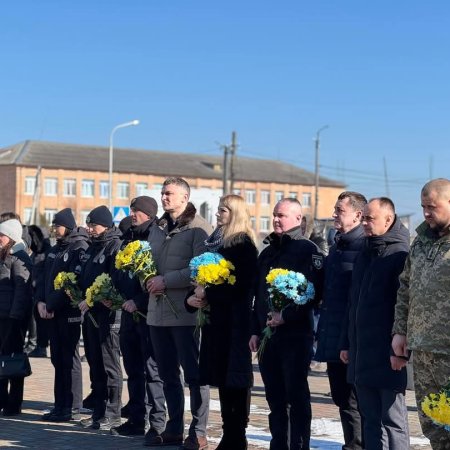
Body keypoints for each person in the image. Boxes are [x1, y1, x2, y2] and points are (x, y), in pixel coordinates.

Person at [249, 198, 324, 450]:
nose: (276, 219)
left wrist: (287, 316)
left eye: (282, 215)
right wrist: (255, 330)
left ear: (298, 219)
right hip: (268, 336)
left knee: (295, 397)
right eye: (274, 214)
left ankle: (298, 445)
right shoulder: (268, 251)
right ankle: (278, 444)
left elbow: (313, 293)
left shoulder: (307, 250)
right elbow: (258, 295)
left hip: (294, 335)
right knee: (274, 397)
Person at [145, 177, 213, 450]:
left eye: (169, 194)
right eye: (162, 193)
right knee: (167, 374)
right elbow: (148, 262)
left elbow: (200, 269)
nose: (164, 198)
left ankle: (198, 432)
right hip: (157, 311)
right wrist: (146, 278)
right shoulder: (157, 228)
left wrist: (167, 281)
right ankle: (173, 427)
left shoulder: (199, 229)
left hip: (184, 312)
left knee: (195, 374)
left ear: (185, 198)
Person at [186, 195, 258, 450]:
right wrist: (193, 298)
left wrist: (209, 294)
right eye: (218, 209)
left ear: (236, 214)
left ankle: (236, 436)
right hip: (216, 322)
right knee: (224, 381)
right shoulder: (216, 243)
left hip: (235, 324)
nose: (218, 214)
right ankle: (230, 434)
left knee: (235, 381)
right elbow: (203, 280)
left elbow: (242, 289)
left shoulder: (243, 246)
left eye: (224, 210)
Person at [340, 197, 410, 450]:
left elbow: (403, 307)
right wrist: (346, 343)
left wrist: (398, 352)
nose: (365, 223)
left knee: (392, 420)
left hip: (387, 352)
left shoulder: (400, 254)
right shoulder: (366, 252)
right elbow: (353, 304)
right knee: (369, 419)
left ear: (388, 219)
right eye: (364, 218)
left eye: (370, 218)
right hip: (361, 351)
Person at [391, 178, 450, 450]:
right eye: (423, 206)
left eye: (432, 206)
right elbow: (406, 287)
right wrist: (399, 332)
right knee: (432, 423)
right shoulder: (421, 242)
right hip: (423, 349)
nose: (426, 212)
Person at [110, 196, 167, 439]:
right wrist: (114, 295)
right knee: (133, 369)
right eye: (132, 210)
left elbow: (158, 275)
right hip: (127, 312)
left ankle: (158, 424)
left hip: (148, 313)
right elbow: (119, 270)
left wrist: (140, 300)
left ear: (149, 213)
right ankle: (135, 419)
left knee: (152, 371)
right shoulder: (128, 237)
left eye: (137, 211)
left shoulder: (156, 237)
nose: (133, 214)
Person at [315, 191, 367, 450]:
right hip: (333, 334)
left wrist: (349, 340)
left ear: (358, 215)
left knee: (354, 401)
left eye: (339, 210)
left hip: (352, 339)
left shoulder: (364, 247)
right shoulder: (337, 247)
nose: (334, 214)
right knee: (341, 398)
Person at [35, 208, 89, 422]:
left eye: (57, 226)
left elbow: (73, 283)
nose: (54, 230)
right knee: (57, 359)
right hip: (52, 312)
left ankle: (73, 407)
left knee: (69, 358)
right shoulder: (55, 250)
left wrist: (51, 305)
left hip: (68, 312)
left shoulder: (79, 247)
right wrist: (40, 301)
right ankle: (60, 405)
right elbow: (43, 278)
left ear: (66, 225)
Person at [78, 205, 123, 431]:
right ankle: (98, 413)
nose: (89, 229)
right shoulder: (93, 246)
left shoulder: (115, 246)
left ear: (105, 225)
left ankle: (113, 413)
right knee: (95, 365)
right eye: (88, 224)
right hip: (90, 314)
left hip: (107, 315)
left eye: (93, 225)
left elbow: (113, 281)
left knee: (109, 366)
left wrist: (94, 299)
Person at [0, 219, 33, 416]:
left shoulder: (19, 257)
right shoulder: (3, 255)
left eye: (1, 236)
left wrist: (15, 318)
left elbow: (22, 291)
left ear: (11, 238)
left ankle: (14, 403)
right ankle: (2, 399)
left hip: (12, 319)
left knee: (13, 360)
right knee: (2, 360)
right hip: (1, 316)